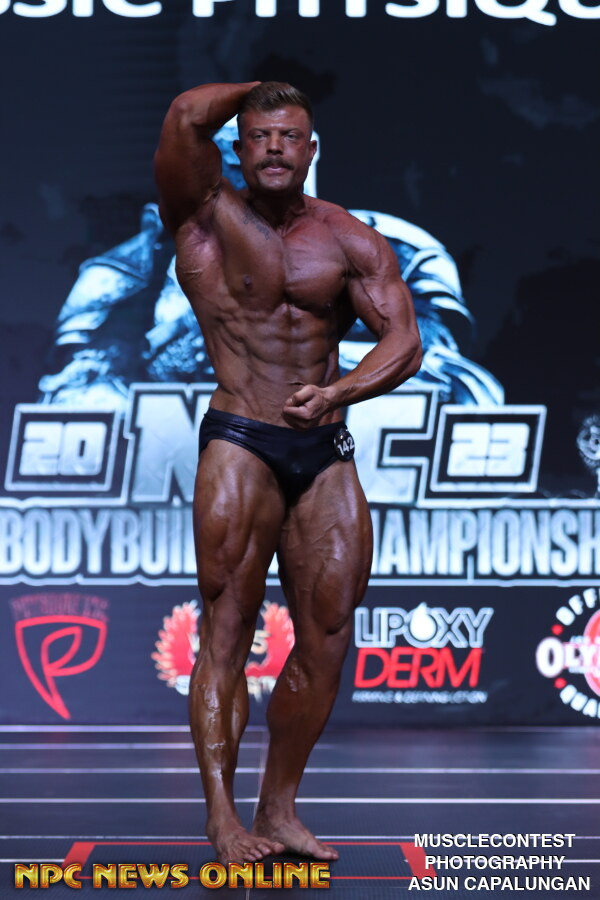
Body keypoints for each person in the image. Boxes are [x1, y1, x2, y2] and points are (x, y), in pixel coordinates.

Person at [154, 81, 422, 866]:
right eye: (260, 134)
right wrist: (258, 90)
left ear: (311, 149)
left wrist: (338, 393)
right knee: (227, 630)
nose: (275, 146)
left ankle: (280, 806)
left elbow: (404, 342)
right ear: (238, 148)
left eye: (290, 134)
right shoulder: (203, 216)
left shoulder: (349, 238)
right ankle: (222, 818)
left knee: (329, 634)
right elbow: (184, 116)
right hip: (242, 438)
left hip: (324, 448)